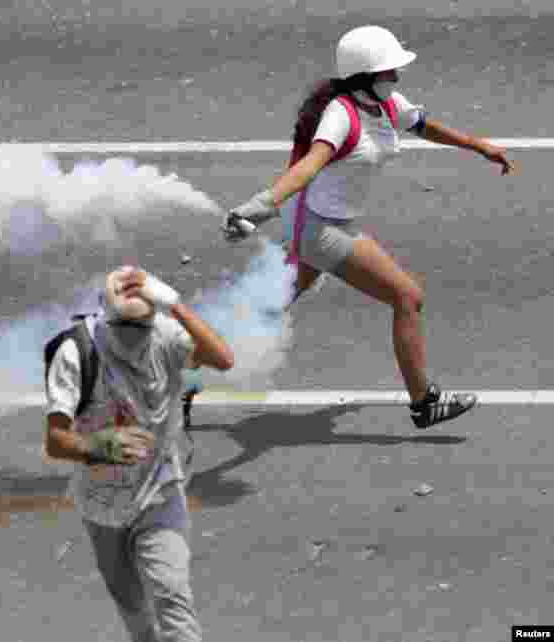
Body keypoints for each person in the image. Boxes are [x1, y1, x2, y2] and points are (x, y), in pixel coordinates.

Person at [222, 24, 517, 429]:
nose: (396, 77)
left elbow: (422, 125)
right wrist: (260, 206)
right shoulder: (340, 116)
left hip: (326, 221)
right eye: (388, 72)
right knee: (407, 297)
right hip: (319, 228)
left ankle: (185, 374)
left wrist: (479, 146)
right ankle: (425, 402)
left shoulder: (386, 104)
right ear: (364, 76)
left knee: (270, 306)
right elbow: (309, 165)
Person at [45, 266, 234, 641]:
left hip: (159, 493)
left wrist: (176, 305)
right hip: (101, 504)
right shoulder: (75, 352)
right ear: (104, 313)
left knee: (173, 598)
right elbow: (55, 440)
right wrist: (100, 445)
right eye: (124, 330)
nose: (134, 339)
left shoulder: (165, 334)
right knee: (135, 612)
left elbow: (223, 358)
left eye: (142, 328)